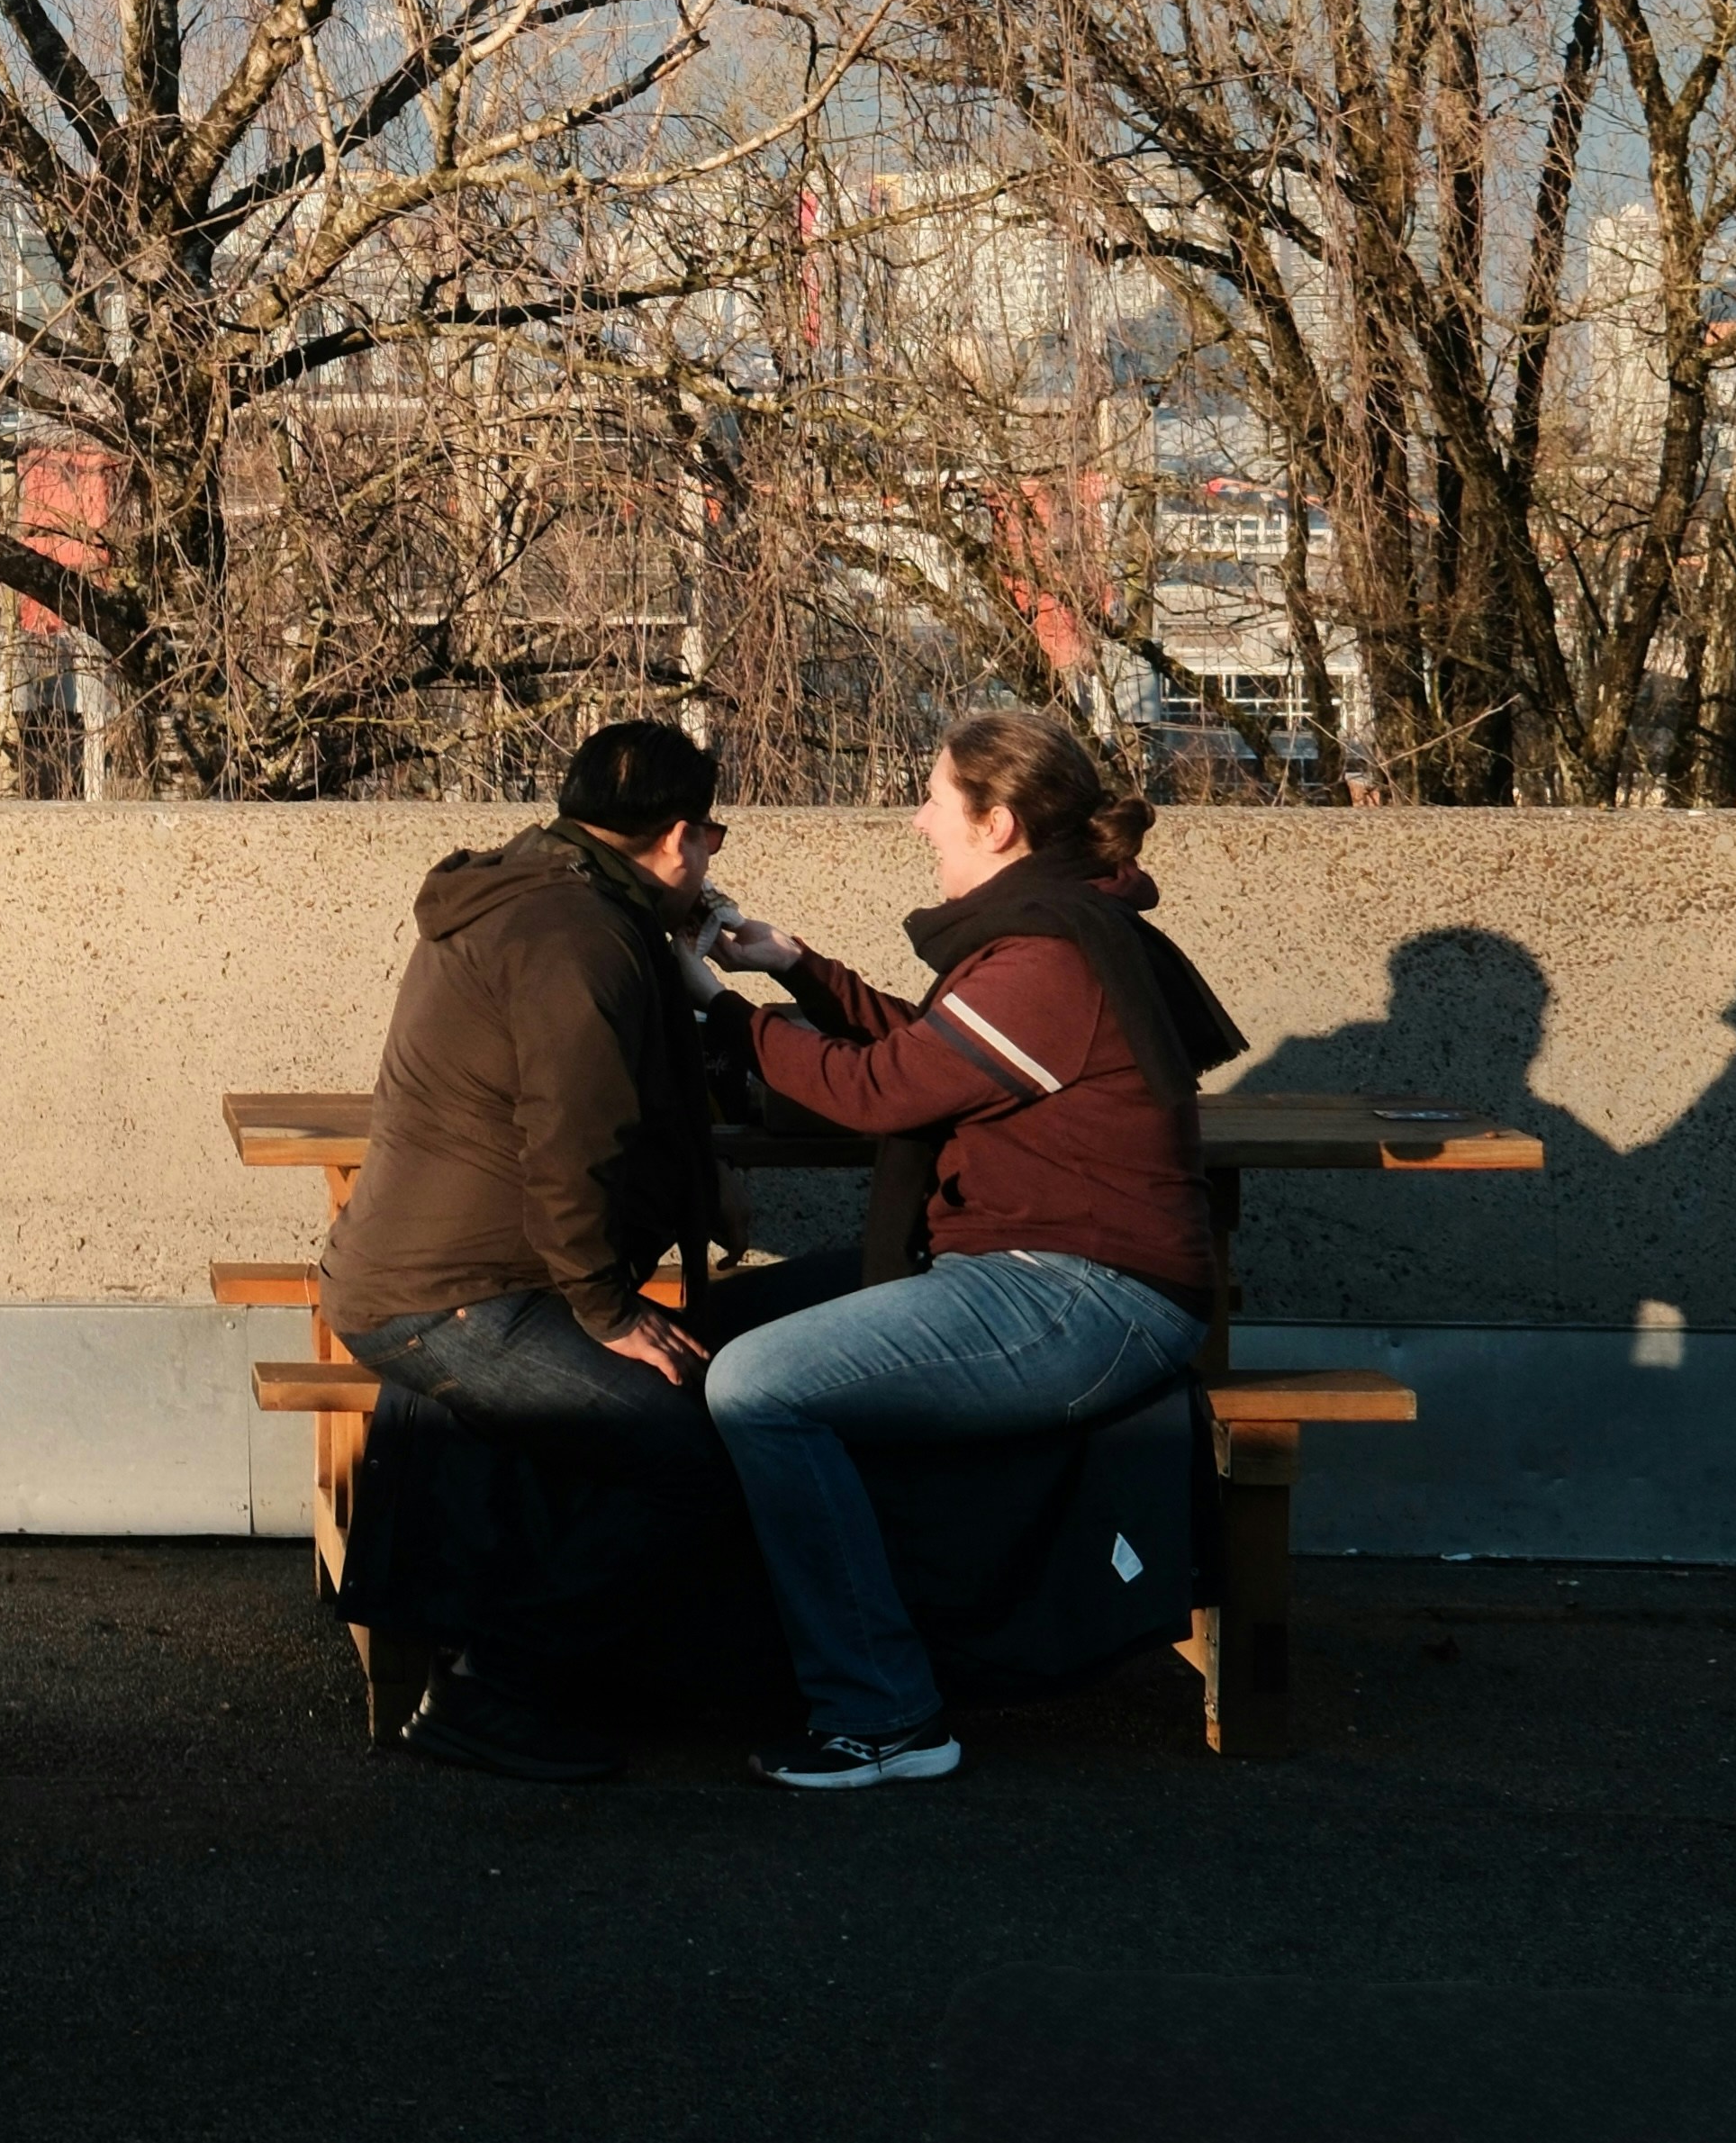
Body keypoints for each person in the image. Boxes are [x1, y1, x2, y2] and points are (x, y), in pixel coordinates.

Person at [701, 708, 1244, 1791]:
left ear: (996, 823)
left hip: (1085, 1297)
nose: (919, 822)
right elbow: (937, 1050)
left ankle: (886, 1714)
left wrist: (720, 1009)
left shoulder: (1048, 956)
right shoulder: (1056, 929)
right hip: (1042, 1276)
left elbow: (881, 1089)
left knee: (756, 1387)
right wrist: (797, 967)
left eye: (936, 800)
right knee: (711, 1328)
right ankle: (713, 1652)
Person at [324, 715, 737, 1783]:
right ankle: (498, 1695)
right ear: (677, 837)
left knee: (668, 1417)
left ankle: (521, 1666)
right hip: (452, 1298)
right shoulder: (582, 939)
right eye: (713, 840)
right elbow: (574, 1150)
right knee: (693, 1448)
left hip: (426, 1274)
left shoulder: (530, 894)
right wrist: (609, 1312)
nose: (710, 862)